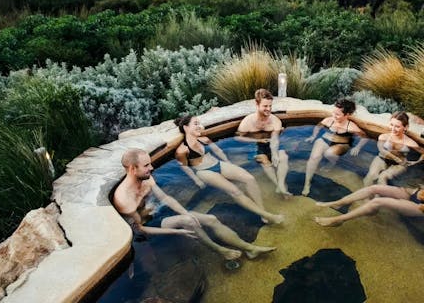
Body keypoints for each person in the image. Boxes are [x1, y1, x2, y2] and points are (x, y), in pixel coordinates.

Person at [112, 148, 276, 260]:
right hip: (149, 225)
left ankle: (249, 248)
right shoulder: (124, 200)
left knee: (210, 219)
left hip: (160, 213)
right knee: (188, 222)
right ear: (133, 169)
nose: (152, 167)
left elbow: (166, 199)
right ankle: (220, 250)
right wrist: (178, 232)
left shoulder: (147, 179)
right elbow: (140, 230)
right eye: (146, 165)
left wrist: (186, 212)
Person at [313, 142, 424, 234]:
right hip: (415, 193)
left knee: (378, 202)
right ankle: (339, 202)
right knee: (373, 189)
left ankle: (339, 220)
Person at [175, 115, 284, 224]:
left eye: (199, 123)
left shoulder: (204, 139)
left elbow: (218, 151)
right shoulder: (182, 150)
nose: (200, 126)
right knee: (235, 191)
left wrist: (227, 162)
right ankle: (269, 216)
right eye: (195, 124)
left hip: (218, 164)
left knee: (249, 178)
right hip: (203, 172)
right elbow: (184, 166)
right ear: (186, 127)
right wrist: (196, 180)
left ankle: (262, 211)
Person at [302, 98, 369, 196]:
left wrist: (357, 147)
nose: (334, 116)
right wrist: (313, 136)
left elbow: (365, 137)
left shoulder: (351, 127)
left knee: (329, 153)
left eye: (337, 114)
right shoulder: (328, 120)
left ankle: (332, 162)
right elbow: (318, 126)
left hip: (342, 144)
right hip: (325, 140)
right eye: (333, 112)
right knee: (314, 158)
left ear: (347, 115)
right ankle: (307, 184)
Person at [236, 89, 291, 198]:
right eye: (265, 106)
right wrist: (257, 140)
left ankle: (280, 185)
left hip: (270, 143)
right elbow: (239, 138)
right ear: (257, 104)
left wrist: (274, 153)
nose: (269, 109)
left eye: (270, 106)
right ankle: (278, 186)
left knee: (283, 156)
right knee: (263, 159)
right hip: (255, 145)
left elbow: (275, 139)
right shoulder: (247, 122)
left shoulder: (275, 121)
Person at [363, 111, 424, 186]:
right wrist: (396, 158)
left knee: (383, 177)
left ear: (405, 127)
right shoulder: (383, 137)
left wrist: (415, 162)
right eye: (391, 125)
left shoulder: (410, 143)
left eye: (397, 126)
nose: (393, 129)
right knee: (371, 176)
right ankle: (365, 196)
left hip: (400, 164)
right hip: (382, 158)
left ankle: (379, 196)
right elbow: (382, 150)